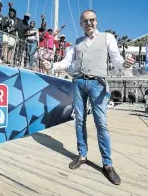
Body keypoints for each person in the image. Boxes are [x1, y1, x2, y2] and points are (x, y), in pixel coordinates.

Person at [42, 10, 135, 185]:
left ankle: (107, 164)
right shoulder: (76, 43)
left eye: (92, 20)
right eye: (85, 21)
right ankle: (82, 155)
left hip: (97, 84)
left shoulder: (107, 38)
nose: (89, 23)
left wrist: (124, 64)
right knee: (79, 120)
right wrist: (52, 65)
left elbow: (116, 60)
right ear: (81, 24)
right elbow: (66, 62)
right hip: (78, 83)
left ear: (96, 21)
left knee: (101, 122)